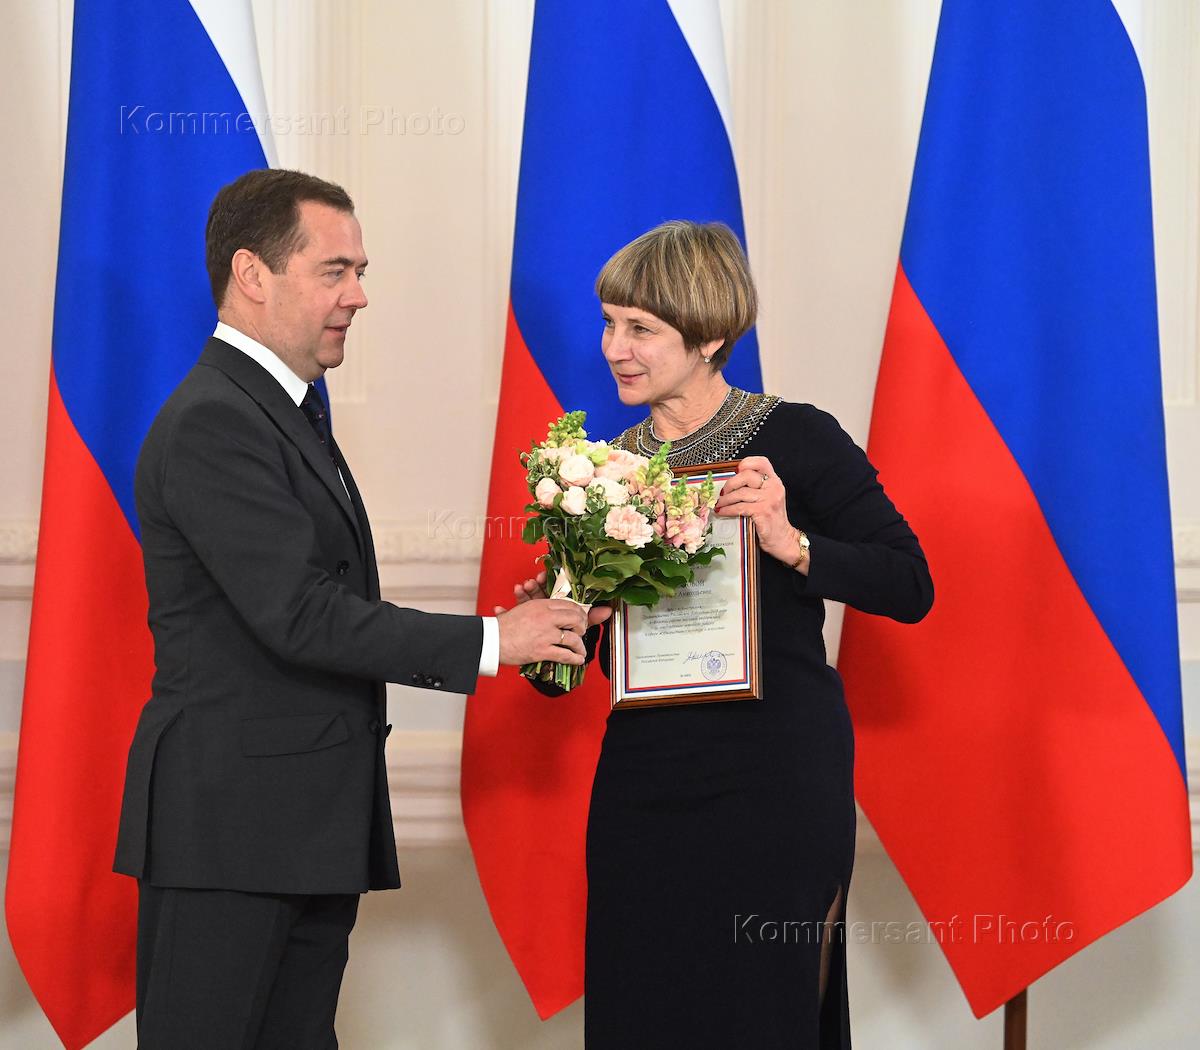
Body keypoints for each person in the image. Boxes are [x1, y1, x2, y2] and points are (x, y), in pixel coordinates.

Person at [113, 168, 598, 1049]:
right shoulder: (215, 420)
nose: (359, 296)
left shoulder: (281, 410)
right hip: (229, 832)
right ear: (253, 274)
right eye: (334, 271)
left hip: (297, 829)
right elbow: (300, 614)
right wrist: (494, 640)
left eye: (360, 271)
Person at [514, 220, 933, 1048]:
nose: (613, 349)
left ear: (709, 336)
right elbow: (558, 679)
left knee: (765, 1015)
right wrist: (558, 626)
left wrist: (791, 541)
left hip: (775, 784)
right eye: (608, 323)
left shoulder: (798, 437)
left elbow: (909, 583)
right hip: (644, 786)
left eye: (640, 329)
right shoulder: (600, 469)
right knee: (642, 1014)